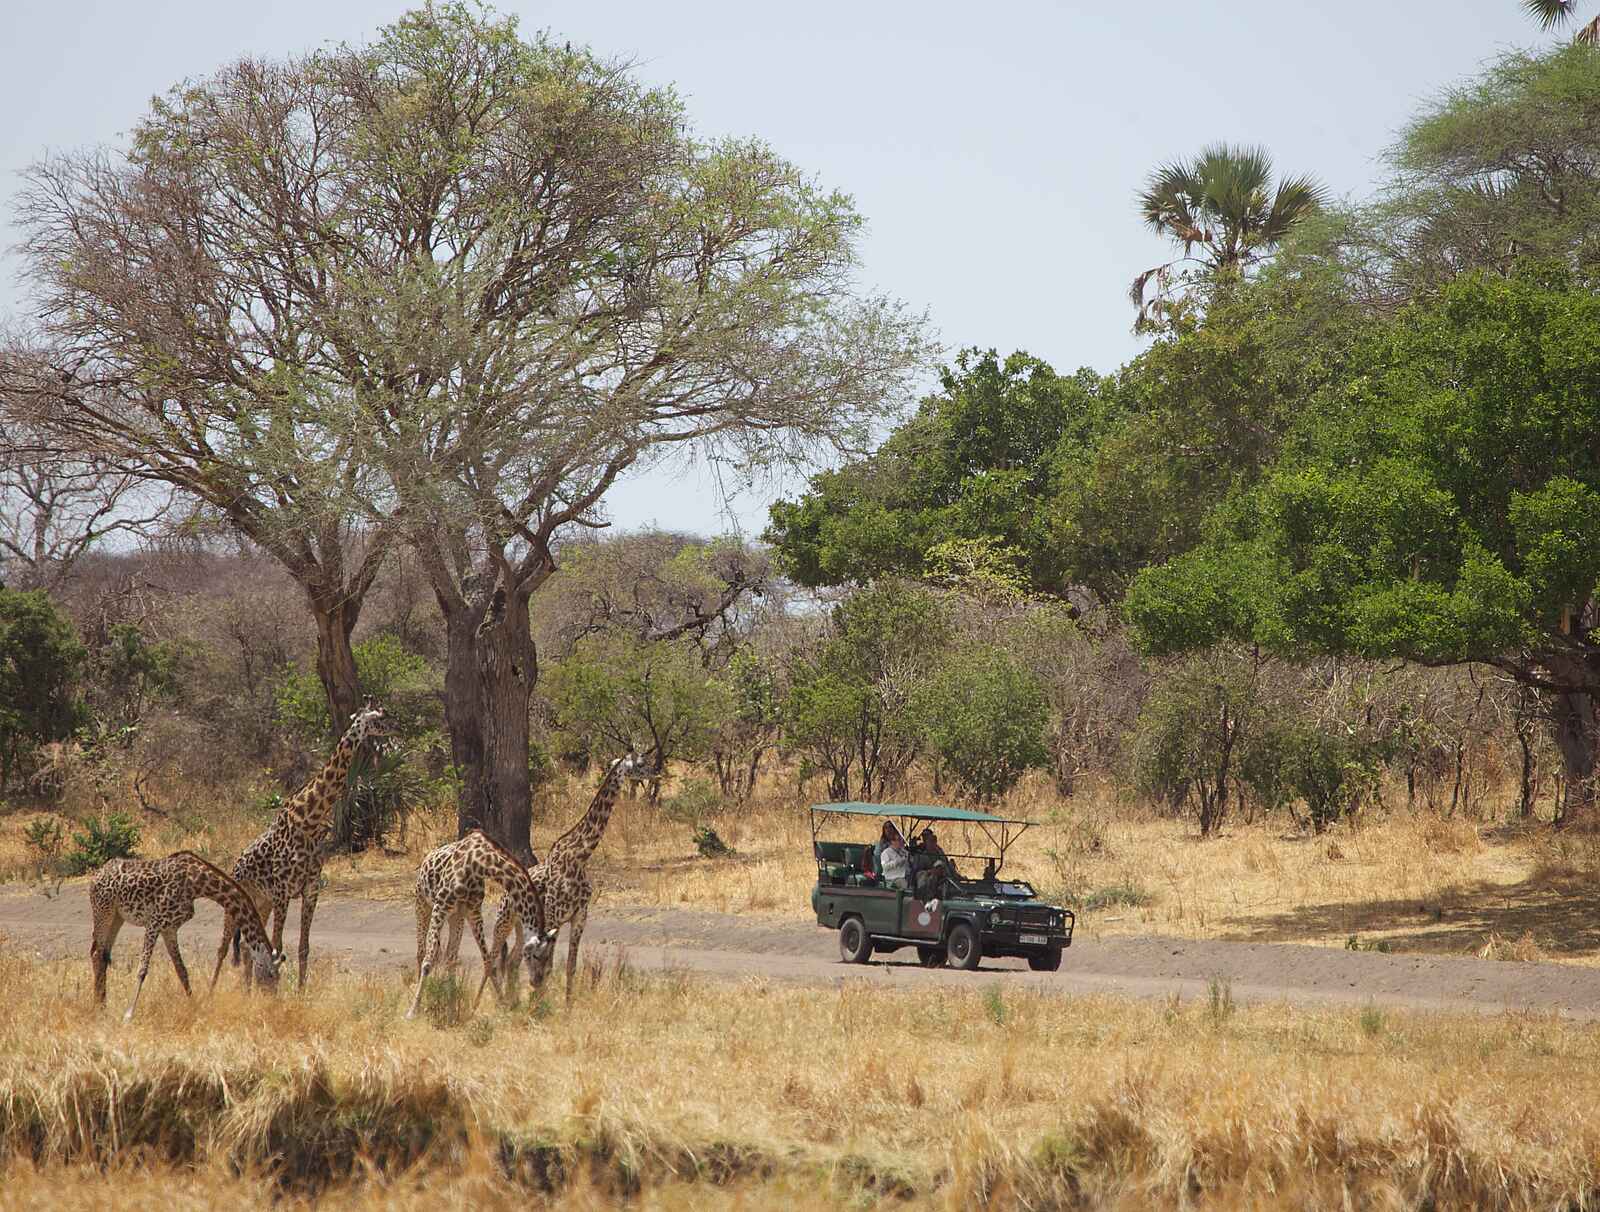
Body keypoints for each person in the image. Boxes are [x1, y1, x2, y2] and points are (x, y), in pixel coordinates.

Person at [873, 821, 912, 890]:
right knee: (904, 884)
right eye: (886, 827)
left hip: (904, 874)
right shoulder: (883, 849)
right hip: (891, 875)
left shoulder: (902, 850)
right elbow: (882, 864)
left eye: (890, 827)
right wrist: (897, 861)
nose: (888, 829)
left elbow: (909, 859)